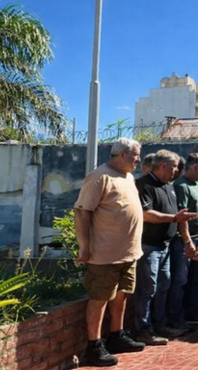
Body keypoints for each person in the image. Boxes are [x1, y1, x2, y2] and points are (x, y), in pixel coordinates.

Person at [74, 138, 146, 367]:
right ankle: (94, 346)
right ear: (122, 154)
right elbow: (82, 212)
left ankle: (117, 335)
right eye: (136, 154)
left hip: (129, 252)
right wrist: (84, 246)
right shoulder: (100, 176)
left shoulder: (128, 177)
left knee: (122, 294)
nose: (139, 159)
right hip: (105, 253)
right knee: (99, 298)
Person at [134, 150, 198, 345]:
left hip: (165, 246)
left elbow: (179, 216)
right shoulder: (144, 184)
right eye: (174, 166)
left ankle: (160, 325)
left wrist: (188, 241)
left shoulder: (169, 186)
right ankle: (143, 330)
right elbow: (146, 214)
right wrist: (174, 218)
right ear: (163, 166)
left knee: (164, 286)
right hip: (148, 246)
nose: (177, 170)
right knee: (147, 289)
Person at [168, 154, 198, 329]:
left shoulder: (197, 184)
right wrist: (188, 242)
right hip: (186, 242)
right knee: (181, 280)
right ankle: (176, 318)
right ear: (194, 167)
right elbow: (182, 217)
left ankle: (194, 313)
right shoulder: (181, 186)